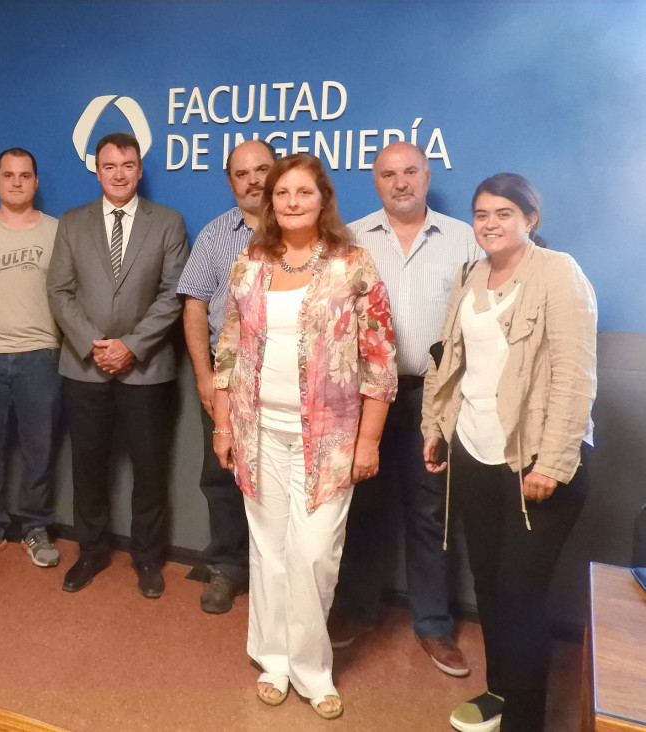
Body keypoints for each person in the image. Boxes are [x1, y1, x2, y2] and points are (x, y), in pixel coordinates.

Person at [212, 154, 397, 720]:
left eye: (303, 192)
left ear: (323, 200)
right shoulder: (251, 263)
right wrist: (223, 423)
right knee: (268, 551)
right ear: (269, 202)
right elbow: (230, 347)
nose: (291, 202)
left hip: (330, 438)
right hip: (256, 428)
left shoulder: (352, 264)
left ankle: (313, 670)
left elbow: (381, 360)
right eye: (281, 193)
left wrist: (369, 441)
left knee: (314, 555)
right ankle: (272, 659)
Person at [422, 173, 596, 732]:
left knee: (522, 593)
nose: (490, 224)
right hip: (475, 451)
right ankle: (500, 695)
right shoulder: (470, 274)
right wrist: (435, 427)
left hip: (535, 458)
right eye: (481, 214)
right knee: (490, 583)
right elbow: (449, 359)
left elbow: (573, 376)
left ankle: (526, 720)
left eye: (503, 213)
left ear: (530, 219)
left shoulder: (557, 272)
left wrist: (552, 461)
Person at [330, 141, 481, 675]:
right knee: (363, 511)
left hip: (430, 399)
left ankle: (435, 625)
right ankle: (356, 610)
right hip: (364, 398)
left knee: (429, 515)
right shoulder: (350, 238)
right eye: (388, 174)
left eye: (410, 172)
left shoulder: (464, 239)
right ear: (376, 182)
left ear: (427, 175)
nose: (400, 183)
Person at [47, 131, 188, 598]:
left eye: (128, 164)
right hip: (84, 368)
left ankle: (146, 558)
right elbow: (59, 292)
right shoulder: (71, 223)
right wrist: (96, 345)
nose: (119, 173)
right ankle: (90, 552)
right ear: (97, 170)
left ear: (140, 168)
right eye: (110, 166)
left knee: (149, 470)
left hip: (146, 370)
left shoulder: (168, 222)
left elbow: (174, 295)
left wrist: (129, 345)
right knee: (88, 467)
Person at [178, 139, 275, 614]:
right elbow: (194, 304)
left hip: (286, 380)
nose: (253, 179)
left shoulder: (306, 229)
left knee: (282, 479)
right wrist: (203, 375)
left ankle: (278, 574)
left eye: (262, 169)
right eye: (242, 173)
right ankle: (227, 569)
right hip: (227, 377)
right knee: (222, 475)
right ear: (230, 181)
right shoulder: (216, 234)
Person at [0, 148, 62, 568]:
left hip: (40, 354)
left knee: (39, 450)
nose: (17, 182)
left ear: (36, 182)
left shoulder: (58, 230)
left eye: (25, 175)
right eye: (8, 175)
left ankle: (35, 527)